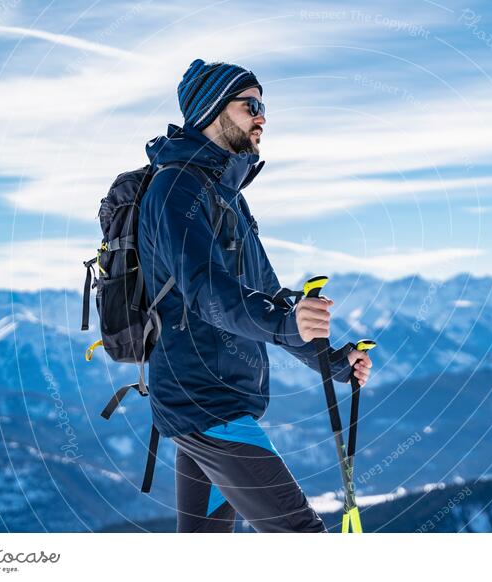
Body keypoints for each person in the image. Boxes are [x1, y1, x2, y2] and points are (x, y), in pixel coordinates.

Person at [138, 59, 372, 532]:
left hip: (219, 401)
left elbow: (265, 296)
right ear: (211, 110)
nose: (262, 116)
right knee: (302, 536)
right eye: (252, 105)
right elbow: (207, 292)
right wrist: (286, 323)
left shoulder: (228, 197)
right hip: (205, 404)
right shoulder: (175, 187)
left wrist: (331, 360)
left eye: (264, 106)